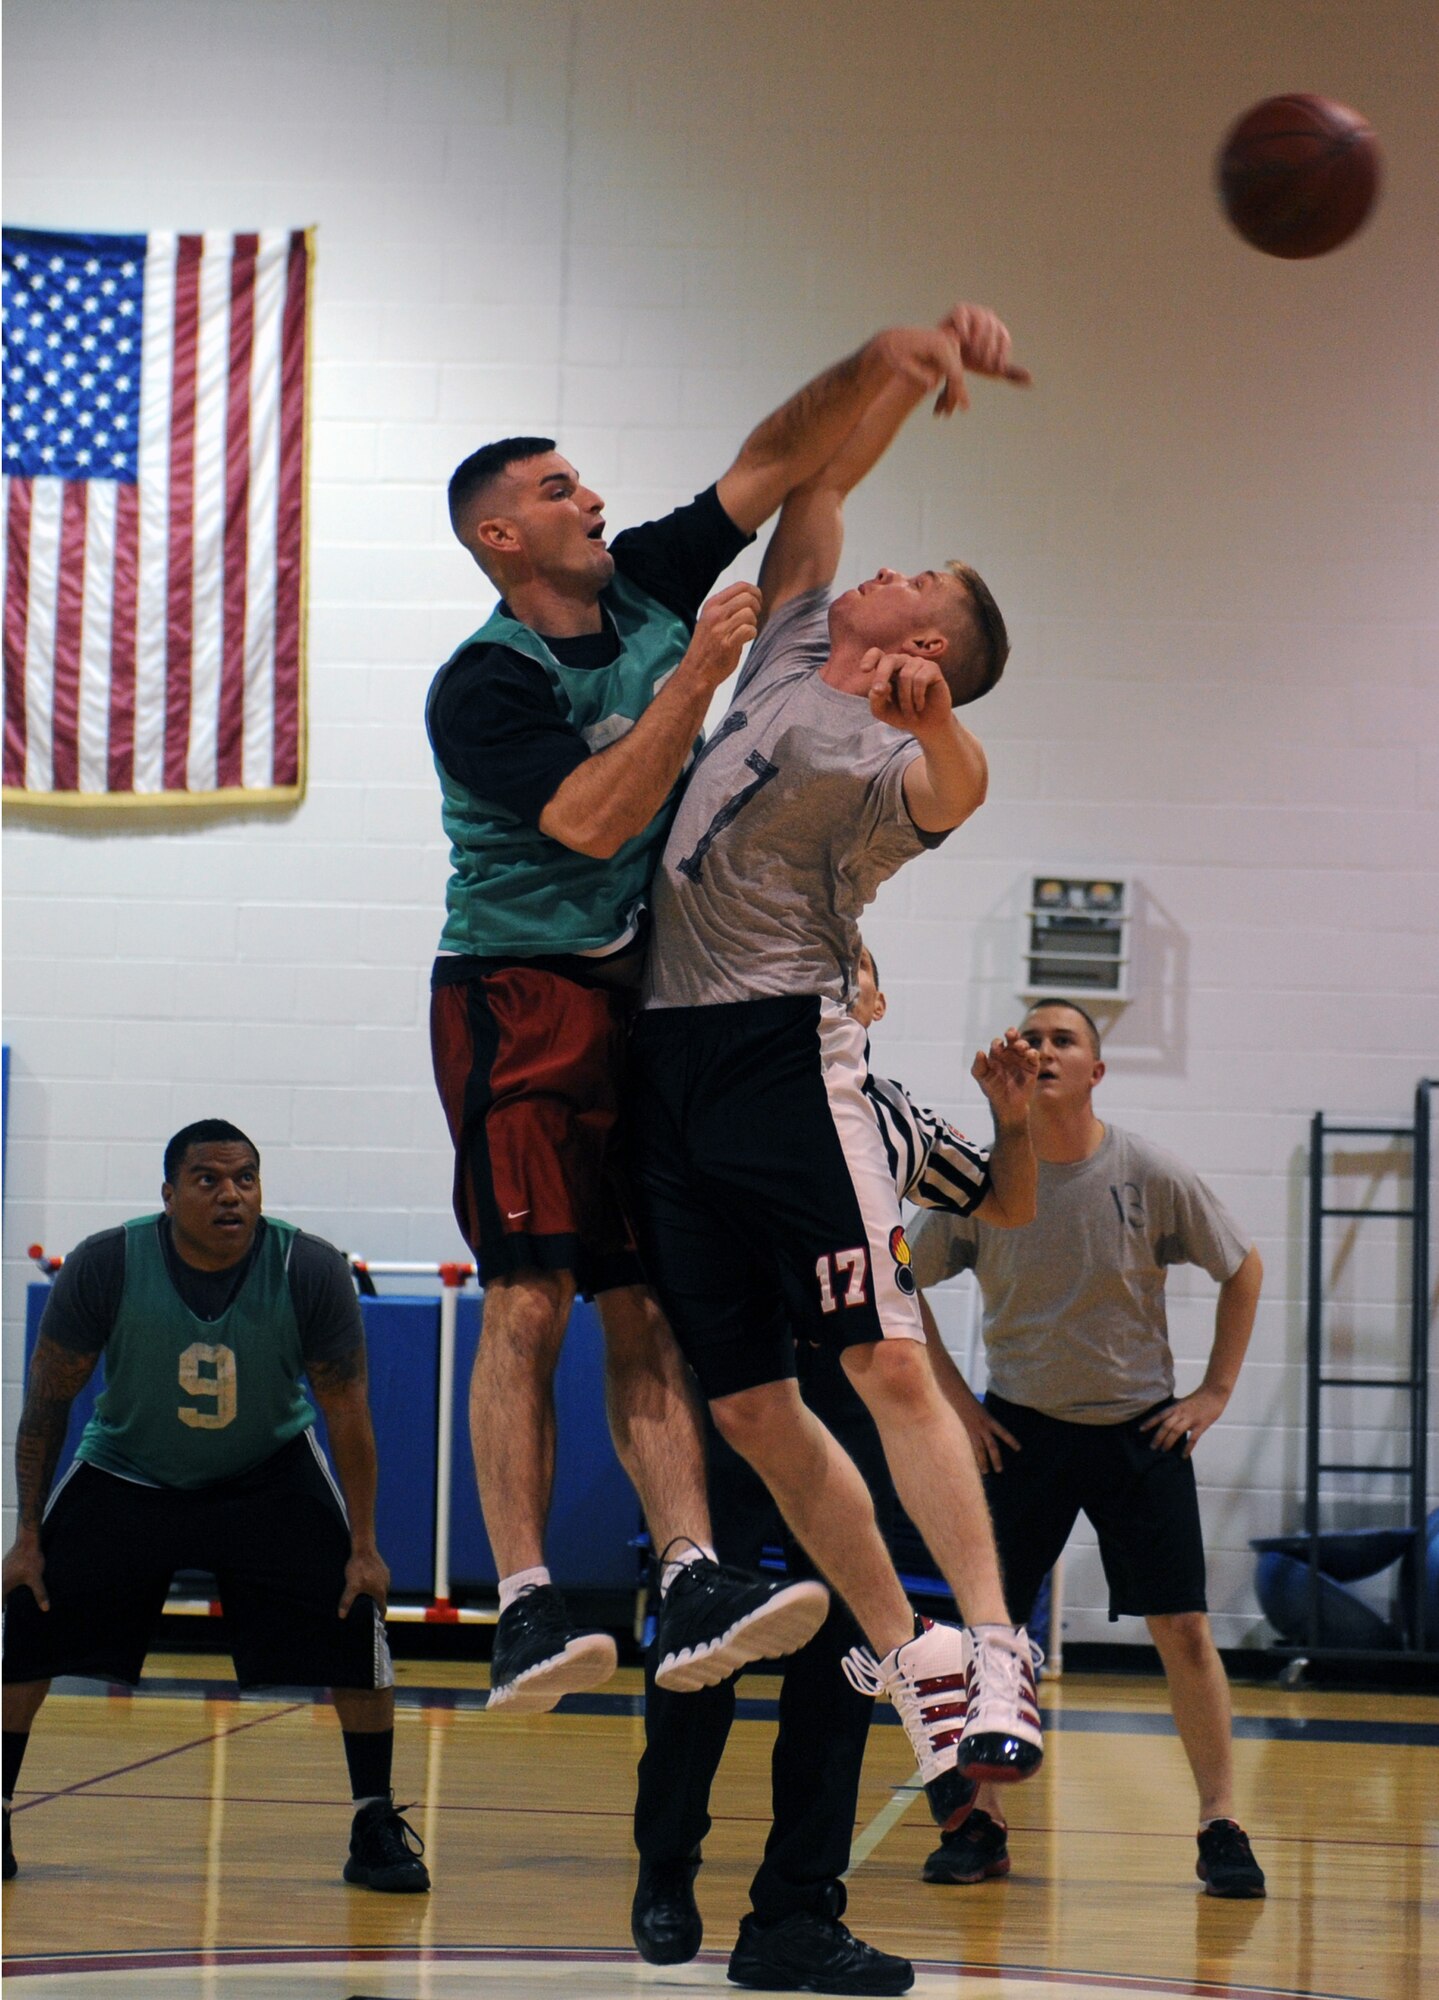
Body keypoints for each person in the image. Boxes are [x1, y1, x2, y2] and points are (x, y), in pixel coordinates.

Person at [431, 316, 984, 1712]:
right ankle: (521, 1598)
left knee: (647, 1305)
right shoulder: (486, 682)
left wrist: (888, 363)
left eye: (584, 482)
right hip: (521, 985)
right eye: (557, 491)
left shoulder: (658, 588)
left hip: (667, 1005)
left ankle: (688, 1575)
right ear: (500, 538)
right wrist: (693, 679)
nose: (593, 499)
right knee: (530, 1288)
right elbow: (591, 815)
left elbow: (780, 469)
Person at [628, 301, 1045, 1841]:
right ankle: (908, 1652)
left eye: (913, 580)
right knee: (743, 1404)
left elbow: (962, 791)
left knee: (877, 1355)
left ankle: (994, 1642)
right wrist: (898, 362)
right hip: (664, 1056)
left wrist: (940, 732)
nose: (882, 563)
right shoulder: (802, 634)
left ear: (924, 645)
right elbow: (810, 493)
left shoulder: (891, 751)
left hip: (775, 1049)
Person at [631, 944, 1038, 1996]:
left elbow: (1001, 1200)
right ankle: (664, 1861)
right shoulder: (706, 1088)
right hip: (732, 1400)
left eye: (842, 966)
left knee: (848, 1665)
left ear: (869, 995)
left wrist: (1016, 1116)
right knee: (701, 1642)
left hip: (843, 1402)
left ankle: (795, 1911)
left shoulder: (886, 1114)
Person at [1, 1121, 429, 1894]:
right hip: (127, 1468)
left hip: (265, 1472)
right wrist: (26, 1534)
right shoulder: (106, 1263)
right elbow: (44, 1407)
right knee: (29, 1611)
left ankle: (373, 1824)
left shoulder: (309, 1267)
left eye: (245, 1179)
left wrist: (364, 1543)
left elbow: (349, 1414)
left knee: (354, 1612)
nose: (230, 1194)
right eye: (208, 1180)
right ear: (169, 1195)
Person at [910, 999, 1268, 1899]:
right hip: (1018, 1432)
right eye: (1028, 1038)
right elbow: (899, 1280)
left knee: (1183, 1629)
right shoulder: (985, 1180)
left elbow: (1243, 1267)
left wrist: (1214, 1393)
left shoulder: (1144, 1170)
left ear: (1096, 1072)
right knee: (990, 1638)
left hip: (1137, 1430)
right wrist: (955, 1404)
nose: (1040, 1050)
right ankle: (980, 1825)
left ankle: (1220, 1823)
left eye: (1061, 1038)